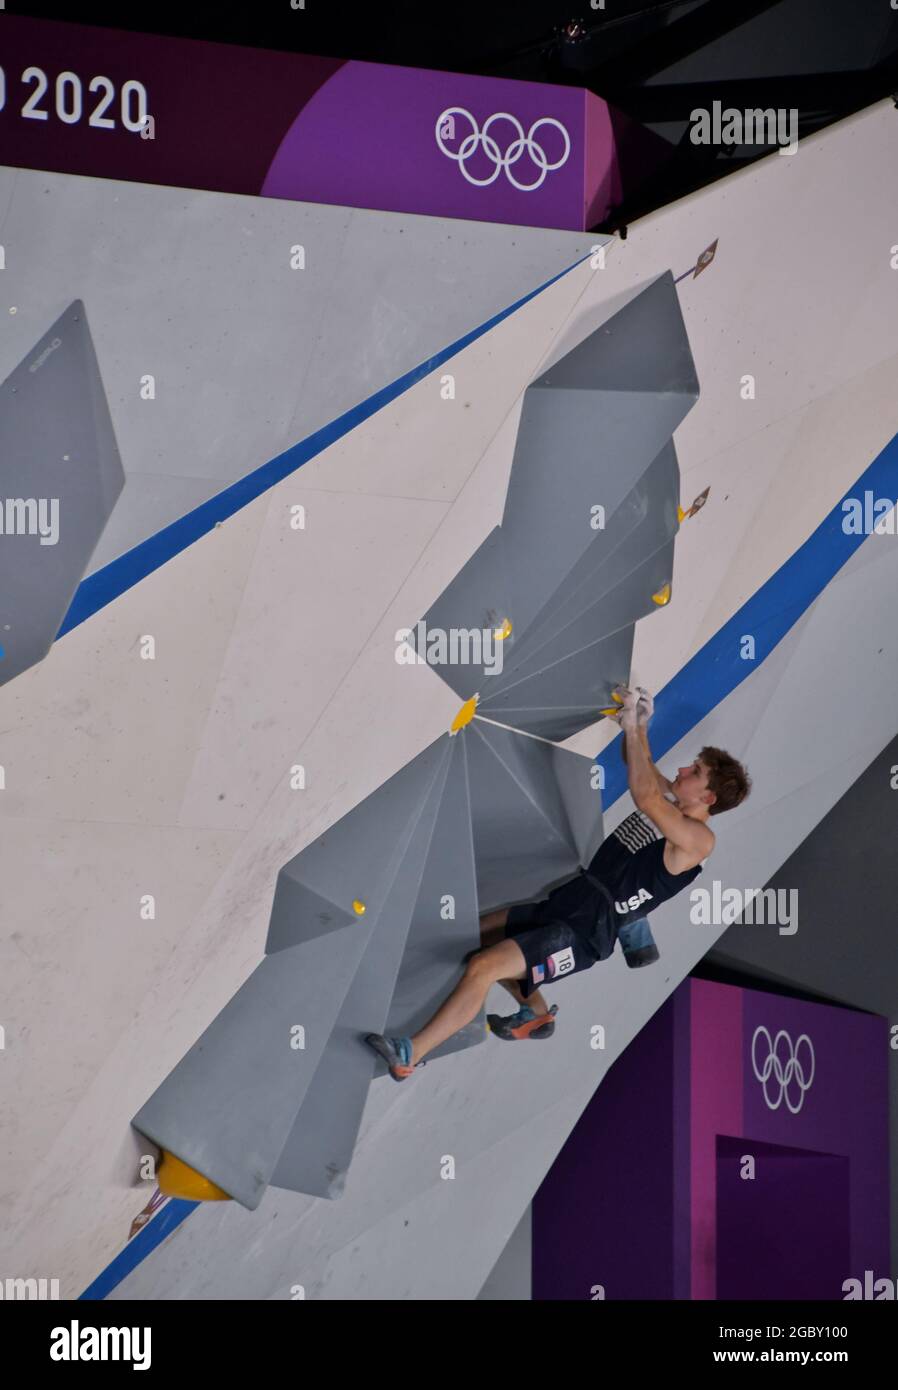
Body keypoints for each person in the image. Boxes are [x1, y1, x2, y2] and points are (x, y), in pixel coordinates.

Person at [365, 685, 751, 1079]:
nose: (684, 770)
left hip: (584, 931)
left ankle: (409, 1055)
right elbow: (643, 770)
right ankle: (535, 1015)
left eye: (695, 773)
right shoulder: (674, 802)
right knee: (477, 937)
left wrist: (634, 728)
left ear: (707, 798)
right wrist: (638, 727)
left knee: (483, 966)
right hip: (575, 899)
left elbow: (645, 798)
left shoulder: (698, 841)